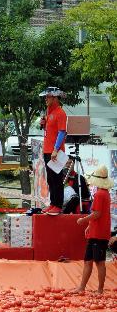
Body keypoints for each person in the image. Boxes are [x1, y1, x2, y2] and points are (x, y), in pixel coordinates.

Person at [75, 165, 112, 294]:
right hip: (97, 232)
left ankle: (100, 289)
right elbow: (99, 214)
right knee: (88, 260)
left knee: (99, 261)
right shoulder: (103, 193)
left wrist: (83, 220)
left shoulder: (100, 194)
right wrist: (90, 225)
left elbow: (97, 214)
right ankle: (82, 288)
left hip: (99, 234)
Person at [39, 87, 68, 215]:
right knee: (50, 179)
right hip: (47, 150)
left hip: (55, 152)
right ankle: (52, 203)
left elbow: (62, 132)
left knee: (56, 178)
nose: (46, 99)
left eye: (48, 97)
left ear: (55, 98)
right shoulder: (49, 112)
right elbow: (49, 131)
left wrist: (56, 149)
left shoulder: (60, 113)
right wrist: (43, 123)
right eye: (45, 97)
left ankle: (58, 205)